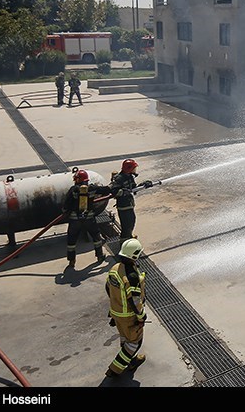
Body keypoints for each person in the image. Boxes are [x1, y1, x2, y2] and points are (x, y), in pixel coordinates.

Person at [105, 238, 148, 378]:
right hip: (129, 316)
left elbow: (108, 288)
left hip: (116, 312)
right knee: (135, 342)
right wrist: (141, 317)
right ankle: (115, 369)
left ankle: (128, 360)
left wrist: (113, 310)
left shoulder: (115, 269)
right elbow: (135, 301)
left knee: (125, 338)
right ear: (134, 255)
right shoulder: (132, 277)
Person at [62, 169, 112, 267]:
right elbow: (106, 190)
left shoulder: (73, 190)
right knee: (96, 237)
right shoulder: (92, 188)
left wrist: (66, 212)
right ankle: (100, 256)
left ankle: (72, 261)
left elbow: (66, 205)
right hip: (89, 219)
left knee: (71, 240)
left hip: (75, 220)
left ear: (77, 180)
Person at [109, 159, 158, 242]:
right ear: (128, 168)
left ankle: (129, 237)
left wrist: (144, 184)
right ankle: (124, 243)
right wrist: (123, 192)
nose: (135, 170)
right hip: (123, 206)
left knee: (131, 222)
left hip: (129, 204)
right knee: (126, 226)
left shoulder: (130, 177)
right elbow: (113, 191)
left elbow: (134, 189)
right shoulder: (119, 178)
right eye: (133, 168)